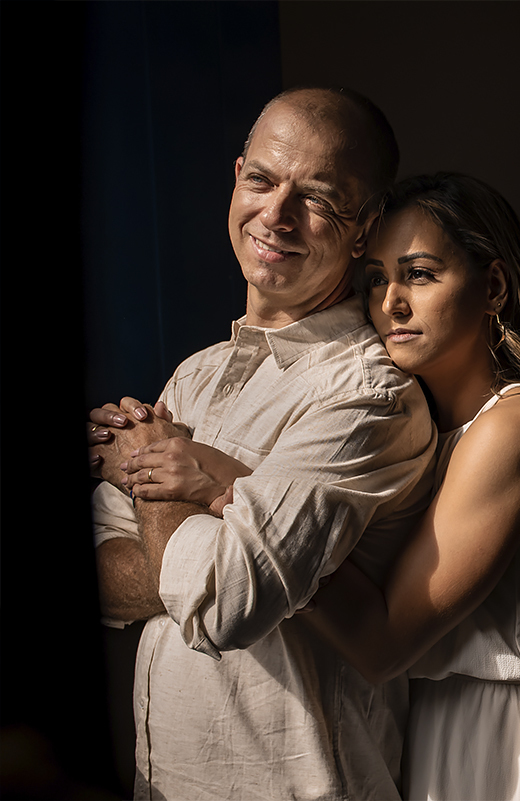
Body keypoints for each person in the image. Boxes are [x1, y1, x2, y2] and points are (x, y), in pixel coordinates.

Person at [122, 173, 520, 800]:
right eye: (377, 279)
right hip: (430, 730)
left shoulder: (517, 429)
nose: (391, 304)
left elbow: (383, 644)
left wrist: (231, 488)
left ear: (493, 286)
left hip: (508, 737)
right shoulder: (427, 429)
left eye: (420, 274)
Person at [87, 87, 436, 800]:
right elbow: (101, 570)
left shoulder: (367, 394)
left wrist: (146, 465)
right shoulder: (195, 374)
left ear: (365, 229)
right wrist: (194, 537)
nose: (276, 215)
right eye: (261, 179)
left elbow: (225, 607)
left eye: (317, 198)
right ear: (236, 179)